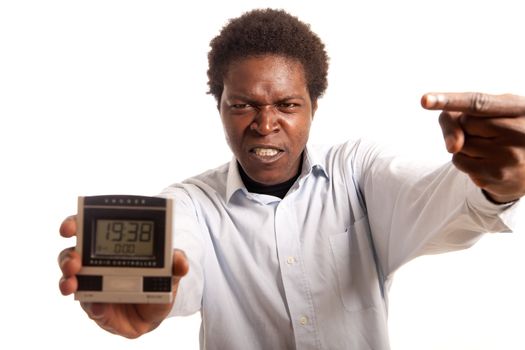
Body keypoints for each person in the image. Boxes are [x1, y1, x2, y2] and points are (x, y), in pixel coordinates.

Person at [58, 8, 525, 350]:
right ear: (218, 105)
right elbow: (180, 255)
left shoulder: (357, 171)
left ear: (313, 106)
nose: (265, 125)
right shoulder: (192, 204)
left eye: (286, 104)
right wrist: (149, 291)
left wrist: (495, 182)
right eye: (242, 105)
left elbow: (435, 198)